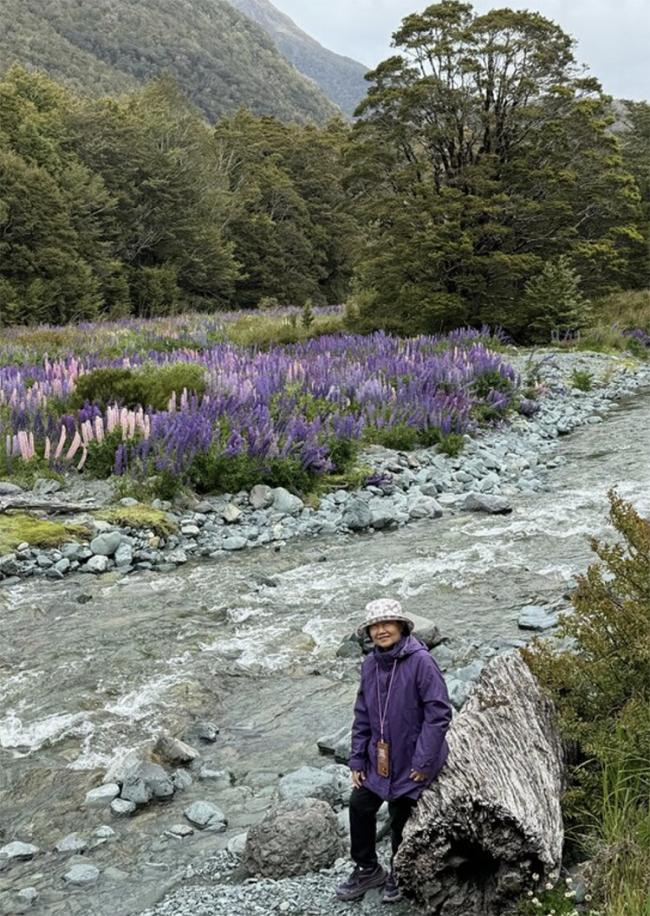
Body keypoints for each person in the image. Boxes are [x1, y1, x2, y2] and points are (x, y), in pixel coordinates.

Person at [335, 598, 452, 904]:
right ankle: (367, 868)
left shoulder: (421, 662)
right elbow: (362, 715)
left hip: (415, 757)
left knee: (401, 811)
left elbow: (438, 714)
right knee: (360, 803)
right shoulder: (371, 665)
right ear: (369, 632)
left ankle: (399, 872)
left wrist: (423, 761)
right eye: (376, 625)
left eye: (387, 623)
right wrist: (357, 760)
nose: (382, 630)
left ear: (401, 626)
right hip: (381, 759)